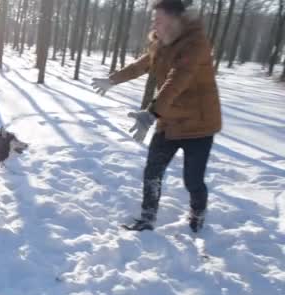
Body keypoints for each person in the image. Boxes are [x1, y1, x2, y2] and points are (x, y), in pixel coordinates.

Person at [91, 0, 222, 232]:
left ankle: (198, 211)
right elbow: (140, 65)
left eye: (159, 20)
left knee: (192, 179)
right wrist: (112, 80)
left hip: (198, 126)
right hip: (169, 120)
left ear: (175, 20)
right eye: (154, 20)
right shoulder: (161, 43)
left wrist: (151, 113)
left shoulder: (195, 44)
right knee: (152, 171)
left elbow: (177, 80)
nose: (154, 24)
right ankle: (147, 217)